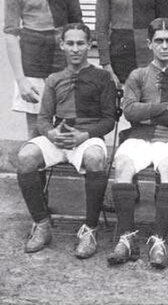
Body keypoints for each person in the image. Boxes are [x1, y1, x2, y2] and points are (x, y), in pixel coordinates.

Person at [107, 18, 168, 269]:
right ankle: (127, 238)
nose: (164, 46)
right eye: (158, 41)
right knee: (123, 165)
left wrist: (147, 112)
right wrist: (165, 107)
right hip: (139, 137)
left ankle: (158, 241)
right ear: (149, 44)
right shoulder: (137, 75)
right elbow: (128, 112)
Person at [16, 22, 116, 257]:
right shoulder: (54, 79)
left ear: (88, 45)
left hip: (87, 137)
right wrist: (51, 134)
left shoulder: (102, 78)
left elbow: (109, 120)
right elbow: (42, 119)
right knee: (25, 157)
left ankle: (89, 229)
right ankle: (41, 224)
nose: (75, 49)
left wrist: (84, 135)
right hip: (58, 137)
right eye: (69, 43)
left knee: (94, 158)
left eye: (80, 43)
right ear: (62, 45)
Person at [4, 0, 82, 138]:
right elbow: (10, 34)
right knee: (36, 131)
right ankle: (33, 171)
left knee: (70, 125)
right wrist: (21, 80)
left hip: (64, 61)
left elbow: (78, 26)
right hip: (33, 61)